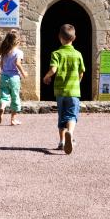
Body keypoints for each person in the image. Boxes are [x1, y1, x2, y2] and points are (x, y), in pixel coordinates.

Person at [42, 24, 85, 155]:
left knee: (61, 116)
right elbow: (81, 72)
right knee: (72, 115)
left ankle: (61, 141)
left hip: (60, 92)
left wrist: (46, 77)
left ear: (59, 37)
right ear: (75, 38)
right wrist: (77, 82)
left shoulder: (56, 53)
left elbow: (53, 69)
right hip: (73, 91)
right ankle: (70, 134)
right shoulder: (78, 54)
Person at [0, 29, 27, 126]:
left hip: (4, 76)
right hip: (14, 78)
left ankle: (2, 108)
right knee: (15, 97)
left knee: (4, 96)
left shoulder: (4, 52)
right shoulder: (19, 52)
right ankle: (13, 119)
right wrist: (23, 73)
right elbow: (17, 63)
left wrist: (4, 71)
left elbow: (1, 64)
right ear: (18, 42)